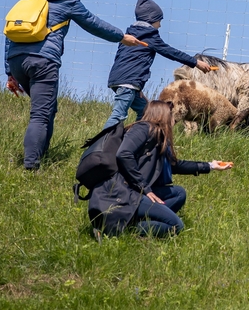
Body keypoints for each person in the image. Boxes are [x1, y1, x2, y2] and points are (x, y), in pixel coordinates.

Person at [5, 0, 144, 170]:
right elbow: (93, 23)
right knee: (41, 114)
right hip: (43, 61)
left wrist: (9, 71)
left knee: (48, 110)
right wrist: (121, 37)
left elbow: (10, 30)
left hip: (16, 59)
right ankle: (31, 167)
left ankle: (41, 155)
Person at [88, 100, 232, 237]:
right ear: (161, 115)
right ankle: (123, 227)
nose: (173, 120)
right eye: (171, 115)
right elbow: (124, 154)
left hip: (135, 191)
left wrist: (210, 165)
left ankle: (138, 220)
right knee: (176, 226)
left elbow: (174, 165)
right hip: (123, 194)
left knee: (179, 193)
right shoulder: (143, 128)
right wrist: (145, 188)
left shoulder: (157, 136)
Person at [102, 0, 211, 129]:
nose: (160, 25)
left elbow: (124, 59)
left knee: (145, 112)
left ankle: (133, 139)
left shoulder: (129, 35)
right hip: (128, 82)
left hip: (120, 79)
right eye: (159, 20)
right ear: (152, 19)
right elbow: (171, 52)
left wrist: (138, 87)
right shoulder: (150, 36)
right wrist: (195, 62)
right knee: (118, 115)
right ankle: (102, 144)